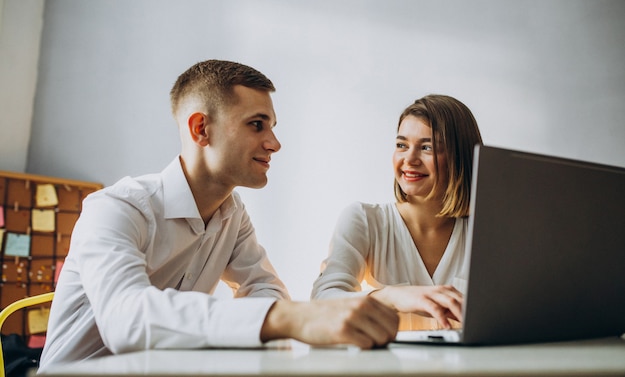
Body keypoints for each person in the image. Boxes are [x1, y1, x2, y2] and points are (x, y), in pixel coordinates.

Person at [38, 60, 399, 372]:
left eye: (271, 126)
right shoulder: (115, 208)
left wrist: (273, 318)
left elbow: (264, 288)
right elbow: (126, 319)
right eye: (257, 124)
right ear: (201, 129)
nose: (274, 143)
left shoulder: (232, 214)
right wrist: (286, 319)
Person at [311, 94, 483, 331]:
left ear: (459, 157)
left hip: (473, 368)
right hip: (391, 368)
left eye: (427, 147)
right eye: (401, 145)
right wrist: (392, 296)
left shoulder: (487, 231)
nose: (409, 160)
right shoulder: (364, 219)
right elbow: (322, 302)